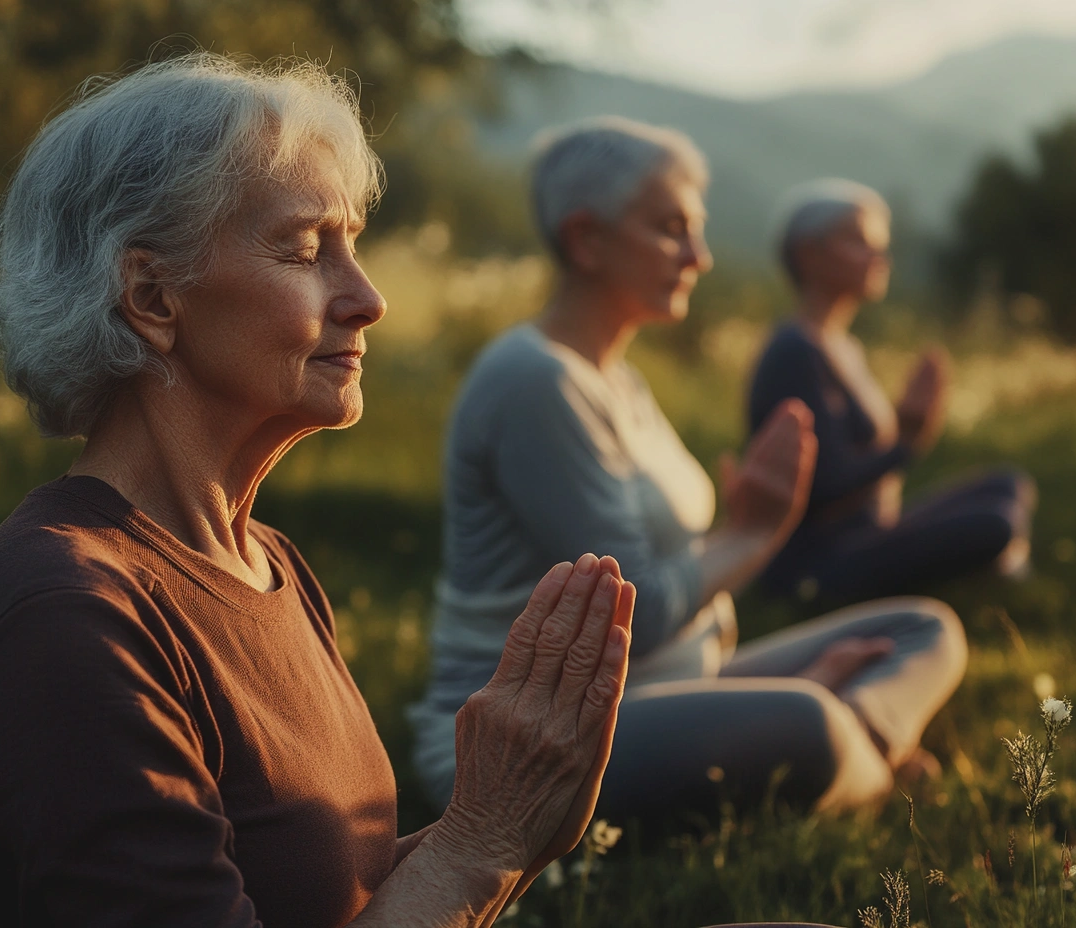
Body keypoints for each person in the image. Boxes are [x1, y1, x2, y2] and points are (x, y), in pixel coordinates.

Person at [0, 55, 639, 928]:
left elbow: (332, 902)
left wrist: (507, 831)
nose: (367, 299)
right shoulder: (66, 622)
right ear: (150, 295)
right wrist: (483, 841)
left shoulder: (265, 562)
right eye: (304, 251)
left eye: (354, 247)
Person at [410, 118, 968, 828]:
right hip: (542, 733)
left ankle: (850, 734)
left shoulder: (618, 378)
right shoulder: (534, 382)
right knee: (809, 725)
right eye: (672, 228)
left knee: (924, 627)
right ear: (587, 239)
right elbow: (627, 620)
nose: (700, 256)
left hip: (677, 685)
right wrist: (753, 532)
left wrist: (743, 529)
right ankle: (858, 744)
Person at [747, 179, 1037, 604]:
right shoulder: (794, 352)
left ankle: (1001, 571)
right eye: (860, 242)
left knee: (1009, 485)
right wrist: (907, 441)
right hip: (815, 563)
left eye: (880, 244)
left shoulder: (841, 345)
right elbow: (823, 491)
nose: (879, 256)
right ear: (810, 253)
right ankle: (1002, 573)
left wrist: (902, 430)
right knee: (997, 523)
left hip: (868, 530)